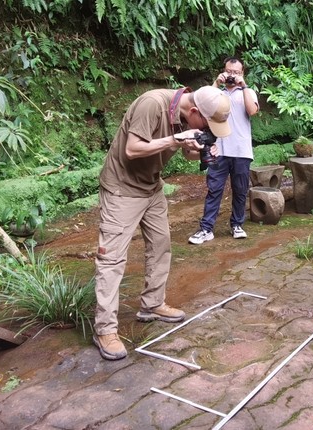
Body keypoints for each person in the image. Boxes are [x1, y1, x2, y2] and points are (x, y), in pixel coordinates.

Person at [93, 86, 232, 360]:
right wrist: (175, 139)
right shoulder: (151, 104)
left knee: (161, 246)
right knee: (112, 259)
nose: (211, 130)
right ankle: (105, 329)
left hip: (152, 187)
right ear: (194, 112)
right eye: (208, 125)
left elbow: (185, 151)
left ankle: (152, 304)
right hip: (122, 189)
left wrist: (198, 147)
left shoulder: (184, 114)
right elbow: (133, 150)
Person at [188, 57, 259, 244]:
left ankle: (237, 225)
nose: (232, 75)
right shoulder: (216, 93)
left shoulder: (248, 92)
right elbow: (203, 106)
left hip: (241, 150)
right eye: (229, 71)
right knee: (214, 189)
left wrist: (243, 87)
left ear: (242, 74)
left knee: (240, 190)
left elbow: (252, 111)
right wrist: (216, 83)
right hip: (217, 148)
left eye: (236, 72)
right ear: (223, 71)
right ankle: (206, 229)